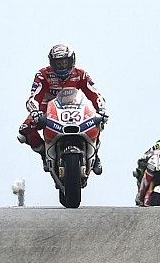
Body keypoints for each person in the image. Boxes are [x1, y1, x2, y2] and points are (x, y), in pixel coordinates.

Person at [17, 44, 108, 174]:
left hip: (75, 106)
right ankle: (44, 153)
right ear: (52, 63)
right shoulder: (43, 74)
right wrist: (35, 112)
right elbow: (33, 97)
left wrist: (101, 109)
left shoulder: (81, 74)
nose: (62, 66)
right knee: (24, 130)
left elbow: (94, 93)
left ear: (72, 61)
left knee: (97, 120)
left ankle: (95, 153)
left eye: (65, 62)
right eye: (58, 63)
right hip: (46, 109)